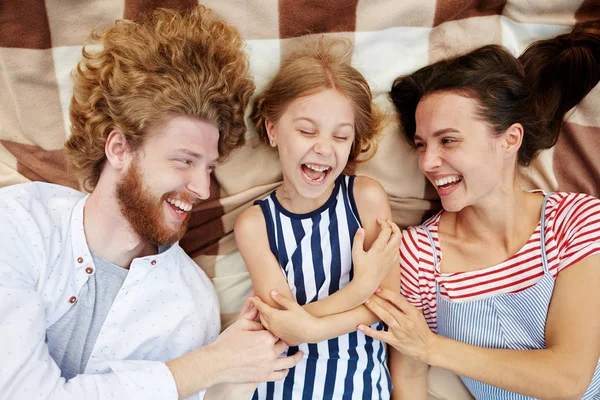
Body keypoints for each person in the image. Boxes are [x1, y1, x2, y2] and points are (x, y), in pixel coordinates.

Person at [0, 6, 302, 400]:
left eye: (209, 167)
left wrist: (230, 380)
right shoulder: (19, 221)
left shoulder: (192, 303)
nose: (202, 188)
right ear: (119, 148)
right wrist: (210, 364)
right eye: (184, 160)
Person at [358, 24, 600, 399]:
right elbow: (408, 382)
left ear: (510, 139)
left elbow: (568, 378)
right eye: (421, 144)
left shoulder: (575, 220)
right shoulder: (417, 257)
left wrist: (432, 347)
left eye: (448, 140)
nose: (428, 162)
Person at [234, 39, 402, 399]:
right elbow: (281, 326)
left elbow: (388, 306)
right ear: (272, 130)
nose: (324, 148)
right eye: (307, 131)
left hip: (358, 387)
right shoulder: (255, 224)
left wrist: (309, 329)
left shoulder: (366, 197)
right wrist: (360, 289)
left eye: (340, 136)